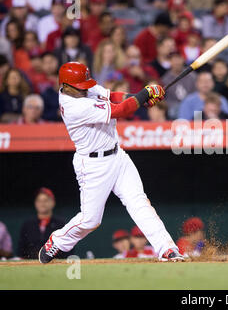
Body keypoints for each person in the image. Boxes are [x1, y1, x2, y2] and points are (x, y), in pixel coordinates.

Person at [37, 62, 184, 263]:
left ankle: (167, 249)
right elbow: (120, 111)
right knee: (90, 220)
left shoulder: (82, 87)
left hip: (117, 156)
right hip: (92, 165)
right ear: (66, 85)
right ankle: (57, 241)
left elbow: (113, 97)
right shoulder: (73, 106)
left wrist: (141, 98)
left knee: (139, 202)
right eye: (80, 85)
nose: (85, 88)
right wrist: (144, 94)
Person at [18, 187, 70, 259]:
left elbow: (67, 248)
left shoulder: (61, 224)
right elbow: (21, 249)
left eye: (45, 200)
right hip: (30, 263)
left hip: (55, 262)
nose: (42, 204)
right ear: (35, 203)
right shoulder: (28, 224)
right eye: (39, 201)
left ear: (53, 202)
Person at [161, 51, 197, 119]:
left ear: (183, 60)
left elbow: (196, 94)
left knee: (199, 110)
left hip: (191, 104)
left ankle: (198, 128)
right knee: (172, 112)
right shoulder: (165, 79)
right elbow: (165, 98)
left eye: (178, 59)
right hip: (174, 107)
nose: (176, 62)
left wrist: (187, 104)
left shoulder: (192, 76)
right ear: (170, 62)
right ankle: (178, 128)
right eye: (174, 60)